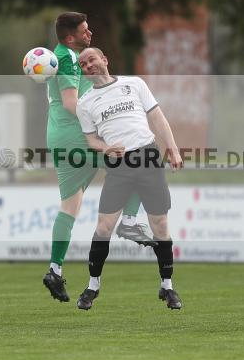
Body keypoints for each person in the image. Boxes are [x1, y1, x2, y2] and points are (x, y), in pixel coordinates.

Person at [42, 12, 153, 303]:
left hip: (58, 136)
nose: (89, 34)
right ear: (70, 37)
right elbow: (69, 103)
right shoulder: (66, 57)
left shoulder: (61, 55)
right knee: (136, 159)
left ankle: (54, 269)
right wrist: (99, 114)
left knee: (70, 206)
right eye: (84, 30)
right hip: (75, 136)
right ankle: (129, 219)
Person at [73, 47, 184, 310]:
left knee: (160, 226)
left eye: (92, 60)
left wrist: (173, 148)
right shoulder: (85, 103)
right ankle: (92, 286)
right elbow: (90, 140)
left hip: (148, 157)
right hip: (119, 164)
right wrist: (106, 148)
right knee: (103, 227)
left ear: (105, 60)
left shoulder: (133, 84)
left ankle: (167, 287)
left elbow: (157, 118)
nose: (88, 66)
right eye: (83, 64)